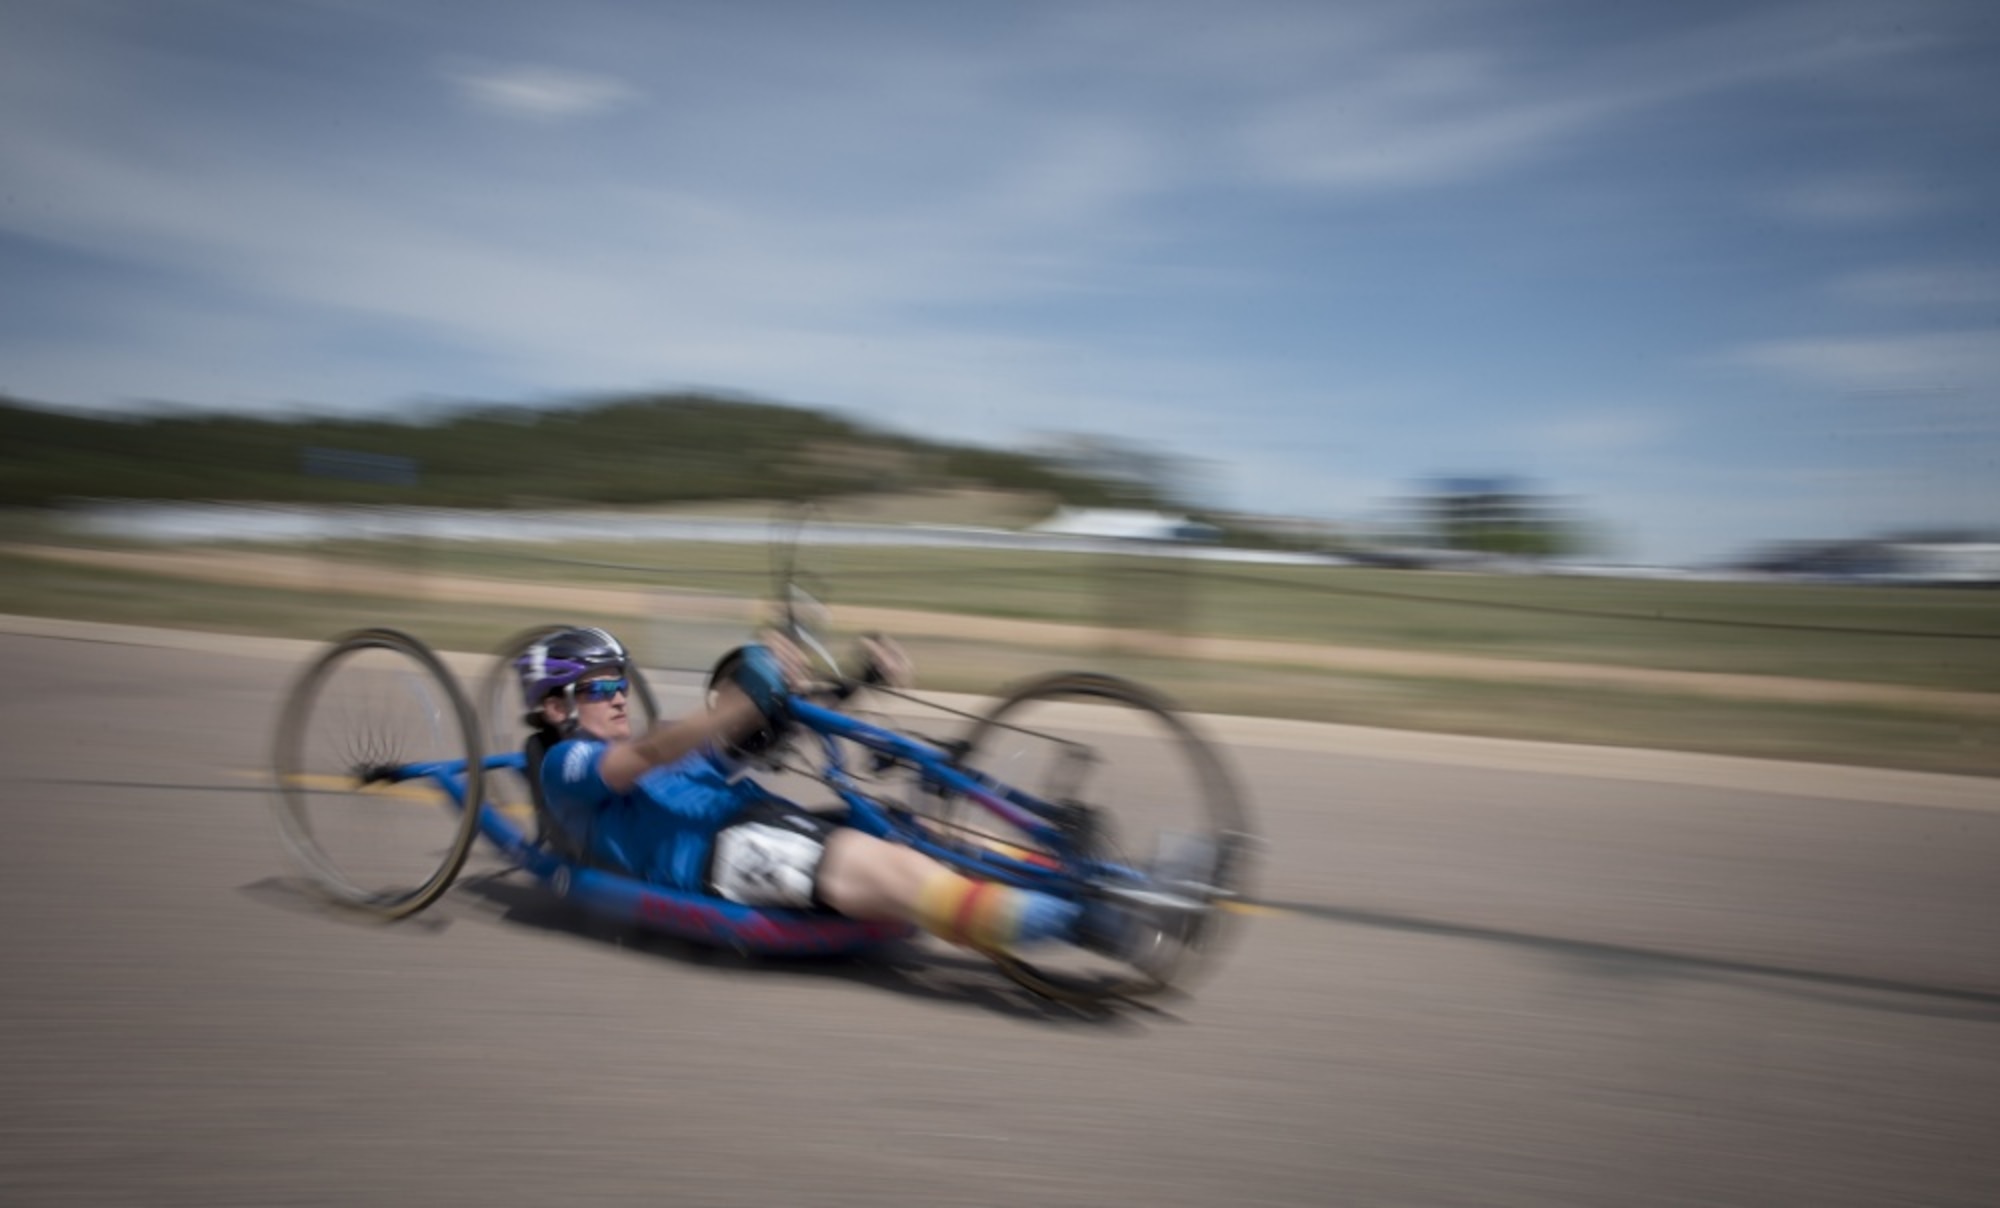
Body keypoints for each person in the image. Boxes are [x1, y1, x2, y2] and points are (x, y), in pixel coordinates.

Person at [517, 626, 1156, 959]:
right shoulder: (567, 765)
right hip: (724, 860)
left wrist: (854, 681)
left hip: (761, 822)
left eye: (620, 682)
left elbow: (750, 734)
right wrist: (738, 702)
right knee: (908, 875)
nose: (619, 695)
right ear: (554, 707)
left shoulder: (660, 745)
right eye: (600, 688)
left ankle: (1116, 879)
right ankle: (1092, 922)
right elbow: (658, 750)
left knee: (929, 832)